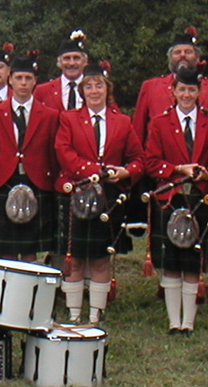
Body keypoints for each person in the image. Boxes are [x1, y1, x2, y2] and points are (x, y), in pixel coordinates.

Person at [143, 67, 208, 336]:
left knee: (193, 263)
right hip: (170, 198)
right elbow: (151, 163)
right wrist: (178, 169)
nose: (186, 95)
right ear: (173, 91)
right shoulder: (159, 122)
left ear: (199, 92)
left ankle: (189, 322)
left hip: (200, 198)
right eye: (181, 89)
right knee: (171, 264)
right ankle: (174, 322)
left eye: (191, 90)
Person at [55, 61, 144, 324]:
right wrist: (95, 170)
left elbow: (138, 158)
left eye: (99, 86)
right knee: (76, 258)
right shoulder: (68, 118)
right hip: (77, 194)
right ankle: (73, 313)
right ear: (82, 91)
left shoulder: (123, 121)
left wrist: (126, 172)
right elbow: (64, 152)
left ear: (107, 89)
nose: (94, 91)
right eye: (89, 86)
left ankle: (96, 314)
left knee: (101, 257)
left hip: (108, 198)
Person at [0, 51, 59, 262]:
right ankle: (7, 292)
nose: (23, 83)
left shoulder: (50, 115)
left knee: (30, 247)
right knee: (6, 248)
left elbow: (52, 154)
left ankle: (29, 292)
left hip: (36, 181)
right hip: (4, 181)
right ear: (10, 79)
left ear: (35, 81)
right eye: (19, 78)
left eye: (28, 78)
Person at [132, 26, 208, 144]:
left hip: (205, 160)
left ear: (197, 57)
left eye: (188, 52)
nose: (182, 55)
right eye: (177, 52)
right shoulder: (150, 87)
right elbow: (138, 131)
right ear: (170, 58)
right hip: (161, 160)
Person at [32, 30, 87, 112]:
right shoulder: (42, 91)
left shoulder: (95, 90)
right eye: (67, 58)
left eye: (76, 58)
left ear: (85, 61)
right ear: (59, 61)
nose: (71, 63)